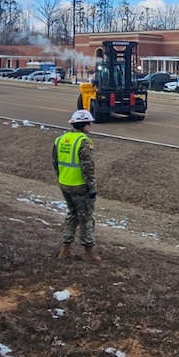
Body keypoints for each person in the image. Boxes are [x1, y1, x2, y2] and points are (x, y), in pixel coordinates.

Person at [54, 109, 101, 263]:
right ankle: (89, 252)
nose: (91, 126)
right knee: (86, 218)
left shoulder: (60, 139)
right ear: (84, 124)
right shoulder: (83, 142)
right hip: (80, 186)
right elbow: (87, 167)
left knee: (72, 214)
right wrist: (92, 187)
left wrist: (61, 177)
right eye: (89, 123)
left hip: (65, 183)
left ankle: (65, 249)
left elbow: (55, 163)